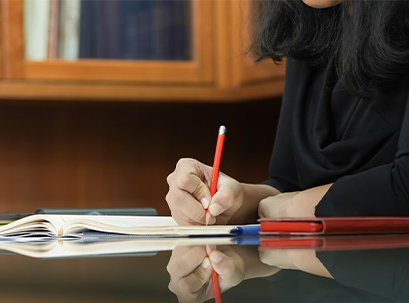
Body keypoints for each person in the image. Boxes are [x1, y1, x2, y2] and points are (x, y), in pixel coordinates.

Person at [166, 0, 409, 225]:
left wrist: (289, 208)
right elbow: (286, 185)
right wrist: (231, 200)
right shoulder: (311, 31)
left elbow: (403, 189)